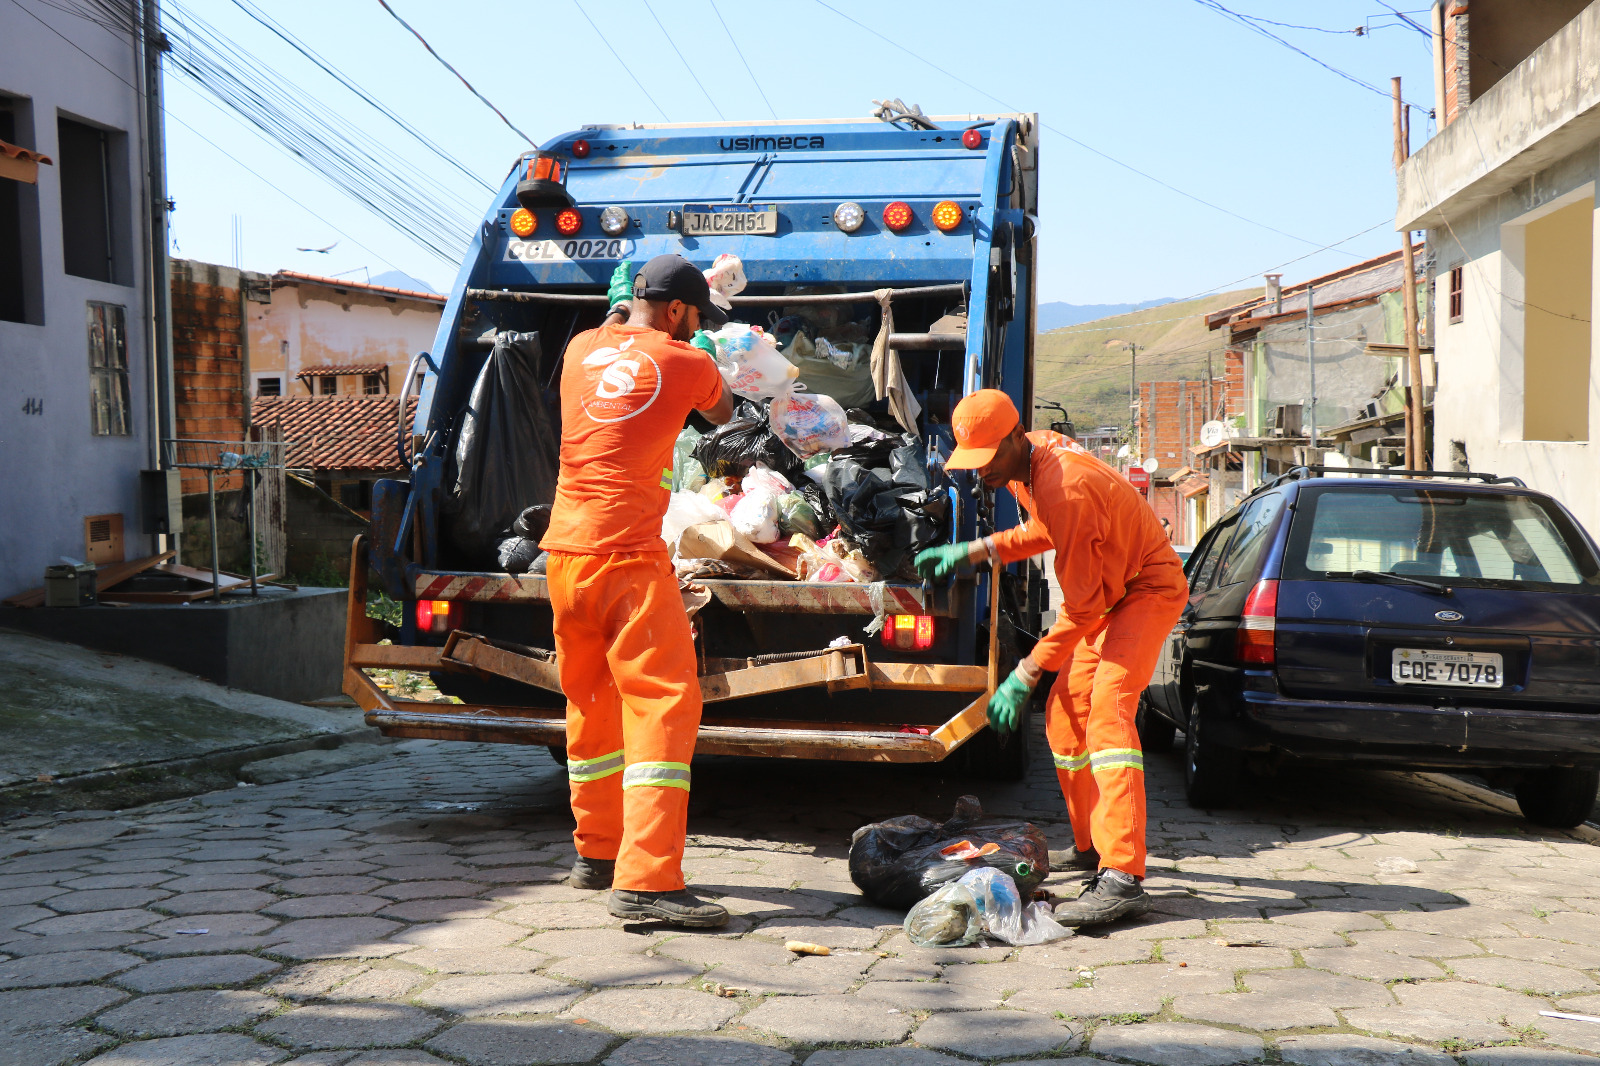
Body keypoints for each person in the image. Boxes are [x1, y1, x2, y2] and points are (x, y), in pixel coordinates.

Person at [913, 390, 1186, 926]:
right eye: (974, 460)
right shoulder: (1027, 465)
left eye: (989, 457)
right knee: (1064, 714)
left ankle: (1124, 876)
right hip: (1110, 595)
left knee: (1109, 710)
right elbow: (1047, 529)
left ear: (1016, 437)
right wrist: (975, 550)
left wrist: (1025, 671)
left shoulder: (1068, 485)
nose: (982, 472)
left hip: (1145, 589)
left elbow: (1081, 609)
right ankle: (1090, 847)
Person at [541, 254, 736, 927]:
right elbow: (722, 413)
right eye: (692, 318)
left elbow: (616, 328)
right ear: (680, 312)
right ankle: (648, 883)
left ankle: (596, 853)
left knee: (591, 701)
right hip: (627, 557)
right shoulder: (686, 360)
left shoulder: (577, 350)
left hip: (564, 556)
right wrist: (706, 349)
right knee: (662, 705)